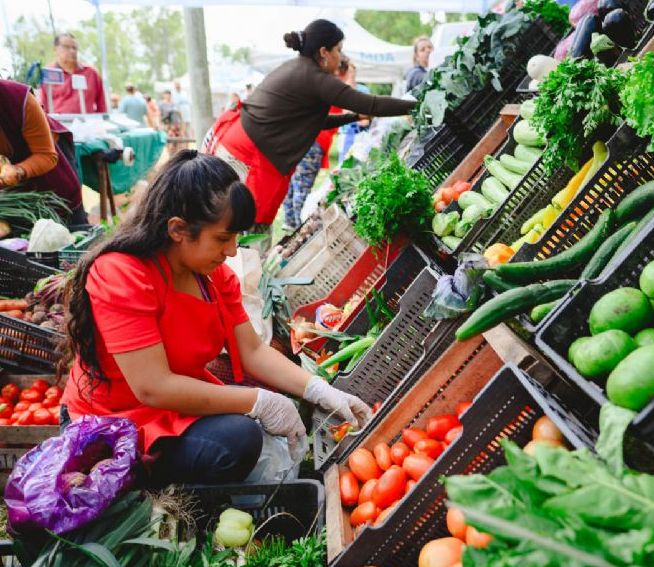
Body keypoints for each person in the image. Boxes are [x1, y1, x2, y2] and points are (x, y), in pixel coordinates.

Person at [61, 151, 371, 486]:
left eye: (236, 237)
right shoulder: (121, 274)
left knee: (247, 429)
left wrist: (318, 390)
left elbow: (252, 350)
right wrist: (259, 402)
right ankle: (138, 485)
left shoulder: (213, 277)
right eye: (222, 238)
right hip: (115, 421)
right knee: (239, 440)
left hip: (175, 408)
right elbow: (152, 387)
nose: (233, 251)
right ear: (178, 230)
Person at [202, 19, 414, 236]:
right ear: (324, 52)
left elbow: (313, 121)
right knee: (245, 231)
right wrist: (416, 105)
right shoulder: (315, 78)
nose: (340, 57)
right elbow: (372, 104)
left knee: (230, 224)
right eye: (338, 50)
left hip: (239, 143)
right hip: (249, 155)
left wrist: (352, 117)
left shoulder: (298, 68)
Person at [0, 79, 87, 224]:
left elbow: (46, 155)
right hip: (18, 199)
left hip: (52, 177)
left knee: (71, 234)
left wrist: (18, 171)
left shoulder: (18, 99)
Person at [281, 54, 351, 231]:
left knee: (295, 182)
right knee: (302, 185)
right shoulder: (332, 86)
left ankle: (290, 220)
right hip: (315, 141)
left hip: (304, 139)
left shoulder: (319, 83)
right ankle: (299, 225)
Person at [40, 33, 107, 114]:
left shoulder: (91, 73)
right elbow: (42, 106)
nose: (72, 51)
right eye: (67, 47)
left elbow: (102, 104)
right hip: (58, 124)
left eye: (74, 48)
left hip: (87, 124)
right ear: (55, 49)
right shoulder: (47, 74)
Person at [338, 60, 372, 164]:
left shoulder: (364, 90)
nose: (351, 74)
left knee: (359, 163)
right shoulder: (340, 90)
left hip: (361, 135)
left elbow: (366, 119)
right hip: (346, 134)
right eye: (348, 72)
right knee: (343, 164)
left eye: (352, 71)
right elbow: (344, 114)